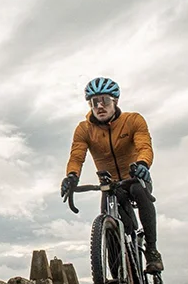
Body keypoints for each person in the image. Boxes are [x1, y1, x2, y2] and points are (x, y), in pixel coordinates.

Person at [60, 77, 163, 272]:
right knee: (107, 219)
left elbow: (144, 146)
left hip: (135, 177)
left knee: (139, 192)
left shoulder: (133, 120)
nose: (99, 106)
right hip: (110, 184)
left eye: (105, 101)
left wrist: (143, 164)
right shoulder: (84, 130)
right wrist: (71, 176)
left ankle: (151, 251)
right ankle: (118, 279)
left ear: (115, 101)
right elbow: (76, 157)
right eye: (94, 102)